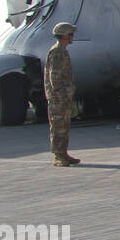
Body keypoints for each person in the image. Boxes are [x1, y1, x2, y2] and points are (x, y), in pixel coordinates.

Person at [44, 22, 81, 166]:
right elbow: (55, 78)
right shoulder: (58, 52)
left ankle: (63, 153)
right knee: (58, 126)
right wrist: (62, 97)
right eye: (71, 34)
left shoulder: (62, 51)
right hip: (58, 98)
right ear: (65, 35)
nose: (73, 37)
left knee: (64, 126)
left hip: (63, 97)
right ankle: (58, 156)